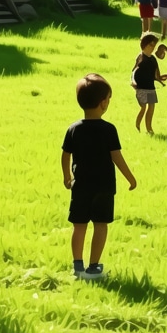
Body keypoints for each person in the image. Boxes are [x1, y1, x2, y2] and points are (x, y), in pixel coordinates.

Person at [62, 73, 136, 280]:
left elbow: (65, 155)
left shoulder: (73, 129)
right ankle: (94, 267)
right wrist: (131, 178)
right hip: (103, 187)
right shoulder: (108, 129)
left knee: (79, 226)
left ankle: (78, 266)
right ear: (104, 103)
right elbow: (117, 157)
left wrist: (66, 175)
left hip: (81, 186)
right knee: (100, 225)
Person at [131, 33, 161, 133]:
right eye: (151, 45)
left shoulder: (153, 59)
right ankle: (137, 124)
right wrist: (133, 82)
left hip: (151, 87)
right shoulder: (140, 57)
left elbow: (157, 73)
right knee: (143, 107)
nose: (153, 48)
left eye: (154, 46)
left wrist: (160, 79)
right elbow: (134, 71)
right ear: (145, 45)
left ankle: (149, 128)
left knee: (151, 107)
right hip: (141, 87)